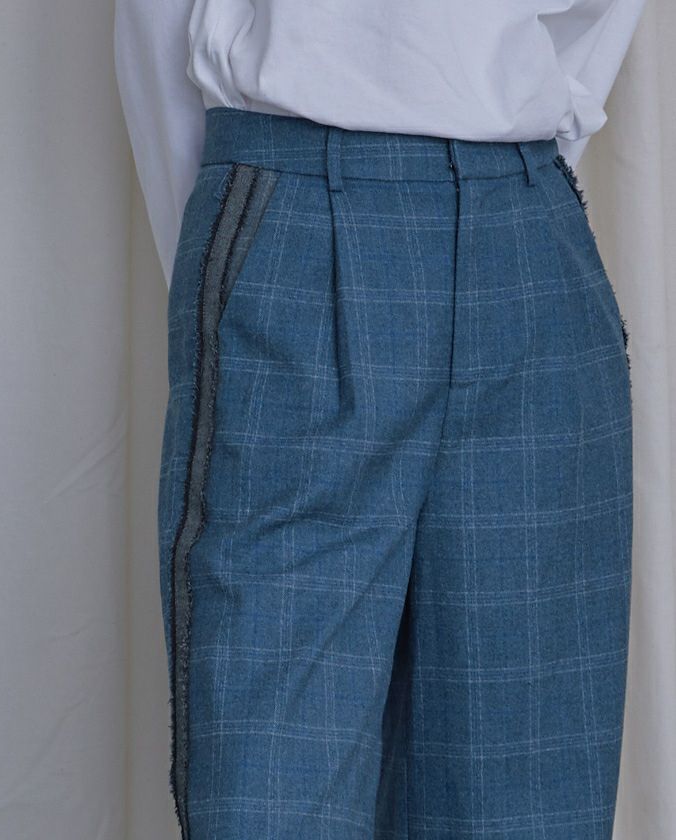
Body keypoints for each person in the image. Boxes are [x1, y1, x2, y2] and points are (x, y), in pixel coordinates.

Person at [114, 2, 646, 838]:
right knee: (268, 791)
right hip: (292, 209)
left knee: (529, 796)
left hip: (525, 240)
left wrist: (514, 141)